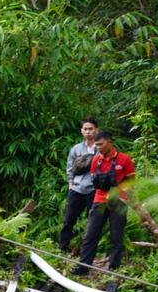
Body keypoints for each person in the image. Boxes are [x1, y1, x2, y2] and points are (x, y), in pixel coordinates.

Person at [70, 132, 136, 276]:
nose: (98, 147)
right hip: (100, 201)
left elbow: (131, 182)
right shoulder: (96, 160)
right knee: (90, 234)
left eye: (101, 144)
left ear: (109, 142)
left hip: (119, 202)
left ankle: (114, 269)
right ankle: (83, 266)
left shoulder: (124, 159)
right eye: (96, 145)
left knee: (116, 237)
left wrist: (130, 200)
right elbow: (95, 181)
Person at [58, 117, 99, 253]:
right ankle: (62, 248)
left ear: (96, 130)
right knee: (69, 220)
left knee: (92, 222)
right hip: (76, 189)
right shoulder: (76, 149)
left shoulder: (101, 148)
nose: (88, 131)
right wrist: (70, 183)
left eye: (90, 129)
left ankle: (88, 251)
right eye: (85, 129)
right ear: (81, 131)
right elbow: (69, 168)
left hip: (94, 190)